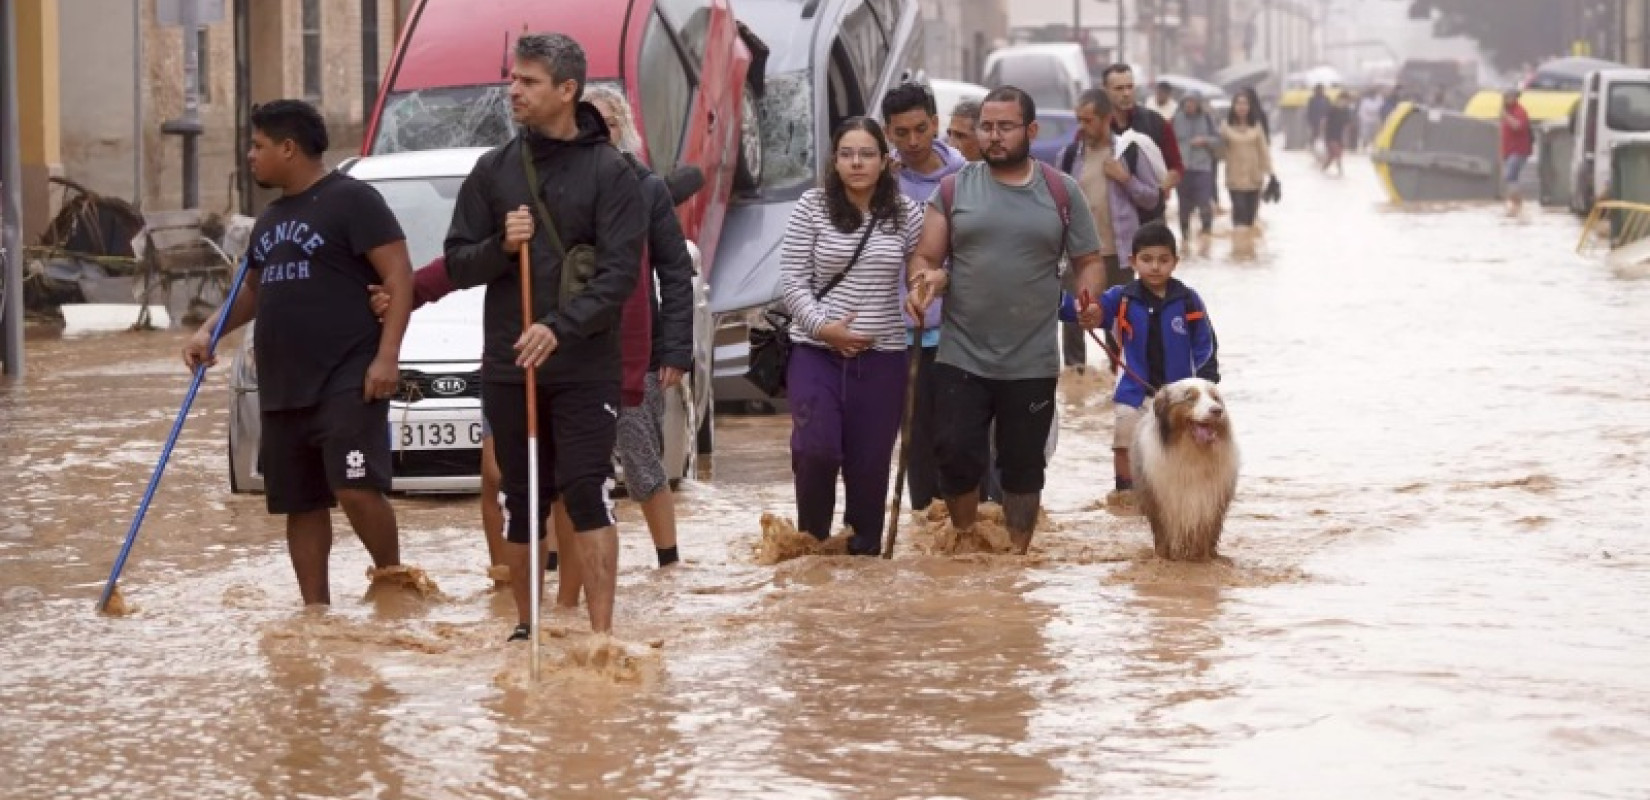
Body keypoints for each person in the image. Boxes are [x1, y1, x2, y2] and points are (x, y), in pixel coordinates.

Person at [443, 32, 645, 642]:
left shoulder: (612, 173)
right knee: (521, 496)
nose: (513, 91)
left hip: (584, 365)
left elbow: (617, 277)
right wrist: (502, 246)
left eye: (528, 82)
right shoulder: (494, 170)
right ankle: (526, 629)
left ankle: (601, 637)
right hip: (512, 365)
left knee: (586, 489)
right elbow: (456, 263)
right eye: (513, 79)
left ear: (567, 90)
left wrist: (558, 328)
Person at [182, 99, 415, 606]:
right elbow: (253, 290)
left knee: (355, 486)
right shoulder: (270, 219)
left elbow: (399, 275)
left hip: (348, 375)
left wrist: (387, 357)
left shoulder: (353, 201)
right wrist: (208, 332)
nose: (250, 155)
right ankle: (316, 612)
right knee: (300, 503)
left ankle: (394, 581)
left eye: (258, 146)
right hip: (285, 383)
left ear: (289, 148)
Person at [906, 86, 1108, 555]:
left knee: (1022, 468)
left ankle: (1017, 557)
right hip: (962, 353)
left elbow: (1090, 260)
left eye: (1005, 127)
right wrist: (924, 284)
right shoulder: (954, 188)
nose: (994, 137)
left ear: (1030, 131)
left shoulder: (1061, 191)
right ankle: (966, 541)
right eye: (987, 127)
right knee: (955, 456)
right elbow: (925, 256)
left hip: (1032, 359)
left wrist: (1088, 298)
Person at [780, 117, 925, 556]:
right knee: (815, 451)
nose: (856, 163)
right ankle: (814, 548)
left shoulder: (906, 214)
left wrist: (919, 291)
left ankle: (862, 568)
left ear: (885, 161)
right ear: (835, 161)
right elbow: (791, 281)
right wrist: (824, 328)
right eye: (847, 154)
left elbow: (923, 265)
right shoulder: (811, 206)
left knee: (870, 469)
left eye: (866, 154)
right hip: (815, 353)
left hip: (882, 360)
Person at [1058, 222, 1218, 511]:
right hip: (1134, 390)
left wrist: (1206, 382)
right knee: (1124, 442)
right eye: (1146, 260)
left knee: (1187, 445)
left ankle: (1184, 498)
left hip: (1180, 397)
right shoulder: (1120, 298)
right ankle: (1125, 495)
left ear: (1175, 262)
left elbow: (1206, 343)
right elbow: (1084, 312)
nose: (1155, 267)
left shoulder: (1188, 300)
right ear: (1132, 261)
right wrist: (1063, 302)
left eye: (1163, 260)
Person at [880, 82, 970, 513]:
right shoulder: (880, 183)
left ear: (935, 124)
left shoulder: (965, 179)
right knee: (913, 443)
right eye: (901, 133)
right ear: (888, 133)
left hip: (958, 333)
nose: (913, 142)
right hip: (899, 334)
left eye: (920, 129)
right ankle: (925, 528)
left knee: (958, 440)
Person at [1058, 88, 1160, 370]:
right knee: (1073, 320)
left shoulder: (1129, 152)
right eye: (1079, 119)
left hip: (1119, 252)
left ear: (1106, 119)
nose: (1082, 126)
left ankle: (1119, 377)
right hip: (1078, 253)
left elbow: (1152, 197)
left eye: (1088, 120)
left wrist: (1125, 178)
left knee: (1118, 321)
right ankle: (1075, 380)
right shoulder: (1068, 156)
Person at [1102, 64, 1184, 222]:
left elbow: (1176, 167)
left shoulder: (1156, 123)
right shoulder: (1098, 128)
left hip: (1150, 217)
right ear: (1105, 90)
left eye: (1129, 87)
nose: (1126, 93)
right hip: (1111, 218)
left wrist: (1157, 193)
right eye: (1119, 88)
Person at [1221, 90, 1273, 259]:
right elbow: (1219, 153)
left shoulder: (1256, 127)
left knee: (1250, 219)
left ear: (1250, 107)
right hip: (1235, 180)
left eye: (1245, 104)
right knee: (1239, 213)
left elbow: (1264, 151)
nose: (1242, 107)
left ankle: (1248, 254)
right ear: (1233, 107)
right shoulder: (1225, 127)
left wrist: (1272, 174)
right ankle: (1238, 254)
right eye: (1239, 103)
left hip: (1254, 179)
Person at [1171, 92, 1220, 244]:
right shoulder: (1176, 119)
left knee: (1204, 203)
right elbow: (1167, 140)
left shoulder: (1207, 118)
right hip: (1182, 168)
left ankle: (1206, 236)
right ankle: (1185, 240)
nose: (1189, 105)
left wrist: (1204, 140)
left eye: (1192, 102)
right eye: (1186, 102)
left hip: (1203, 168)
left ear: (1198, 104)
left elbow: (1219, 140)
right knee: (1183, 206)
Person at [1500, 89, 1534, 215]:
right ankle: (1515, 202)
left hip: (1519, 150)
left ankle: (1515, 202)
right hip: (1509, 151)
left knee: (1510, 175)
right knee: (1511, 176)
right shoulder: (1508, 111)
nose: (1505, 100)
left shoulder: (1519, 111)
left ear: (1515, 98)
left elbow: (1518, 126)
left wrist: (1506, 117)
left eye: (1508, 97)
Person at [1321, 93, 1353, 176]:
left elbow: (1348, 123)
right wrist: (1322, 133)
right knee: (1337, 153)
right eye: (1343, 100)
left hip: (1340, 136)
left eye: (1346, 101)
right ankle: (1340, 171)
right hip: (1331, 135)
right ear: (1339, 100)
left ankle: (1323, 169)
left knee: (1332, 156)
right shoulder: (1332, 109)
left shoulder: (1346, 111)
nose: (1345, 103)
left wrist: (1347, 135)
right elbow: (1324, 121)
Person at [1306, 84, 1332, 149]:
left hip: (1324, 120)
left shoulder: (1326, 99)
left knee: (1325, 135)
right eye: (1318, 89)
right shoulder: (1312, 100)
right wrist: (1310, 120)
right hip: (1314, 120)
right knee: (1314, 134)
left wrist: (1327, 118)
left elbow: (1329, 109)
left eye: (1321, 89)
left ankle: (1326, 146)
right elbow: (1309, 110)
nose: (1320, 91)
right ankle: (1312, 146)